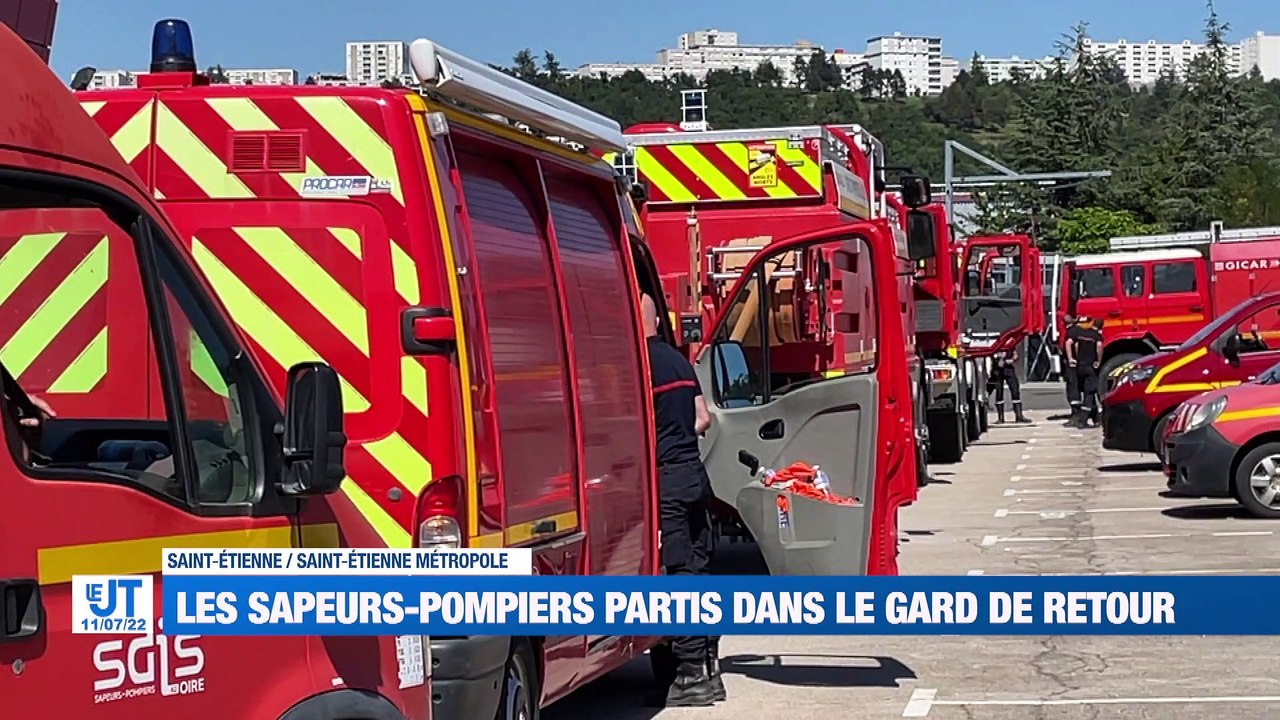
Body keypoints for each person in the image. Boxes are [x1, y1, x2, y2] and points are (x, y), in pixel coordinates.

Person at [640, 294, 722, 707]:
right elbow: (704, 418)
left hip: (668, 479)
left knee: (678, 575)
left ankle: (690, 674)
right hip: (694, 474)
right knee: (700, 567)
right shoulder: (678, 362)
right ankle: (710, 666)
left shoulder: (639, 368)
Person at [1065, 314, 1102, 429]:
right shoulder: (1096, 336)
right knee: (1090, 393)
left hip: (1079, 366)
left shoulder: (1077, 333)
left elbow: (1072, 344)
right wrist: (1098, 361)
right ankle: (1083, 420)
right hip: (1090, 367)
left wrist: (1072, 358)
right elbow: (1099, 346)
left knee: (1077, 389)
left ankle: (1089, 417)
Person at [989, 345, 1030, 424]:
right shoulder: (995, 344)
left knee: (1015, 390)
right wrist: (997, 357)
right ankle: (1000, 417)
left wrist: (1012, 360)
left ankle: (1019, 415)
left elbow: (1015, 355)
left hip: (1008, 368)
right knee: (999, 392)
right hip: (997, 370)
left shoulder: (1010, 344)